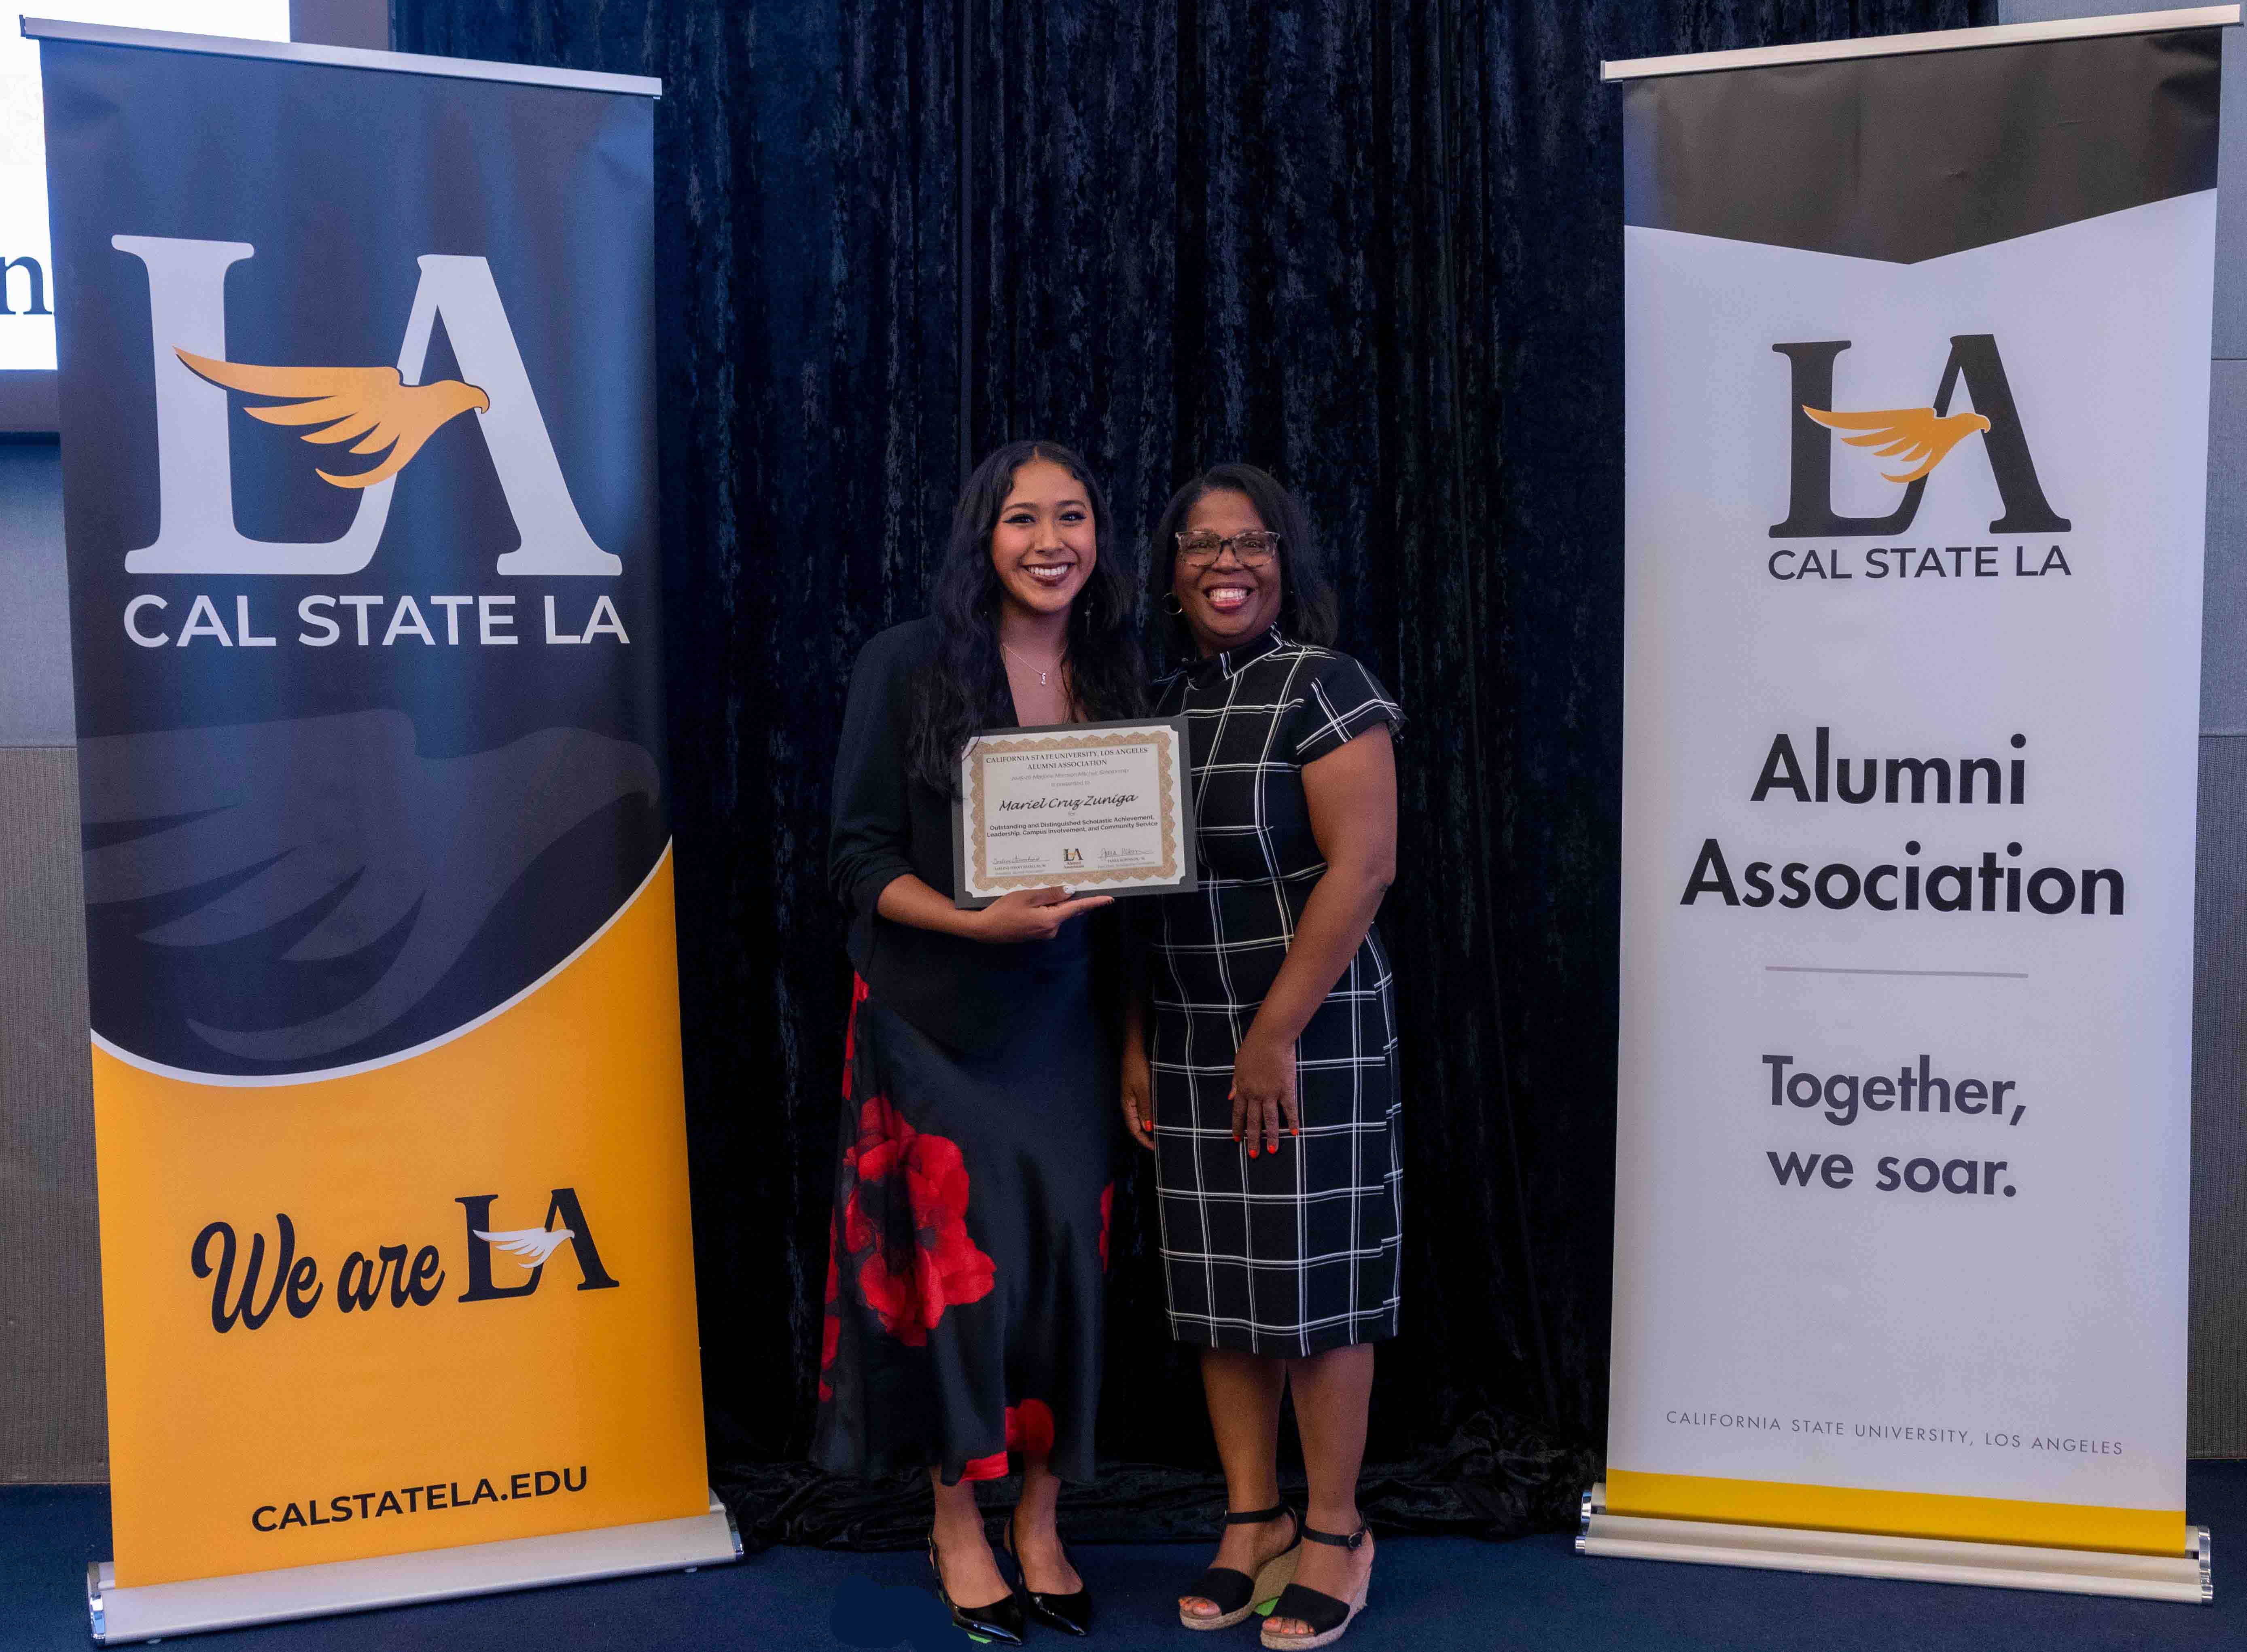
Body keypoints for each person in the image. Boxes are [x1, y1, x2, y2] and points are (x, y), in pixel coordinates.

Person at [816, 440, 1144, 1644]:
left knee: (1066, 1270)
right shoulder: (905, 663)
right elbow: (856, 860)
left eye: (1072, 517)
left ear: (1099, 538)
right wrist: (972, 918)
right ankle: (958, 1522)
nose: (1050, 540)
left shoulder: (1119, 673)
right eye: (1022, 519)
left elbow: (1142, 892)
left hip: (1069, 1021)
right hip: (934, 1018)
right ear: (983, 538)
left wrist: (1138, 1044)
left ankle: (1041, 1520)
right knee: (963, 1280)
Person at [1122, 464, 1402, 1650]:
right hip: (1188, 1031)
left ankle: (1335, 1529)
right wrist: (1137, 1043)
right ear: (1171, 570)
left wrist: (1274, 1034)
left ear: (1284, 564)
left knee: (1315, 1286)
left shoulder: (1324, 686)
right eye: (1201, 544)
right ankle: (1252, 1516)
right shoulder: (1150, 707)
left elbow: (1364, 867)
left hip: (1308, 1032)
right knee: (1218, 1290)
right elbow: (1129, 893)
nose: (1226, 563)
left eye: (1250, 543)